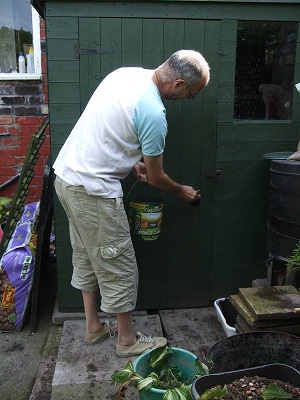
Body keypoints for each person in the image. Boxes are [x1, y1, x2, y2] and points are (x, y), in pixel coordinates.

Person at [53, 49, 210, 357]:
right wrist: (181, 191)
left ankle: (93, 327)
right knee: (118, 263)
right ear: (178, 84)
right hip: (93, 191)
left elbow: (107, 132)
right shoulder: (153, 113)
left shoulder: (123, 75)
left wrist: (129, 164)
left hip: (67, 179)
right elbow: (156, 177)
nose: (187, 99)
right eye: (191, 95)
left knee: (88, 254)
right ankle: (126, 341)